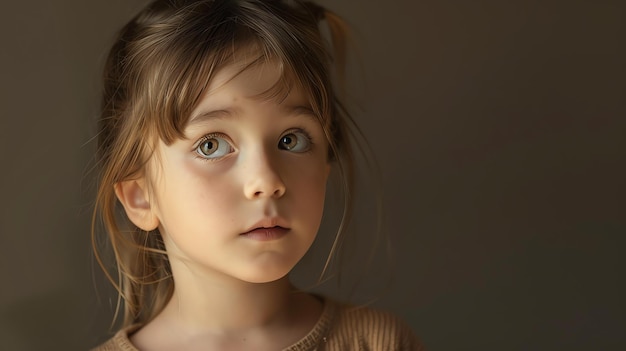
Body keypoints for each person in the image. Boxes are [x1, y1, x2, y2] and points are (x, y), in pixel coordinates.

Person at [91, 0, 423, 349]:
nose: (267, 181)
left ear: (325, 165)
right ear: (140, 196)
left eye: (290, 140)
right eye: (211, 146)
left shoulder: (380, 343)